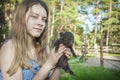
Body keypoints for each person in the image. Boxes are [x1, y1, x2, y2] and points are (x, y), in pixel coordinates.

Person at [0, 0, 71, 80]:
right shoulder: (10, 48)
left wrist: (58, 63)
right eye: (34, 16)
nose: (41, 23)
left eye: (44, 19)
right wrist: (49, 64)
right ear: (22, 18)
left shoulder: (44, 48)